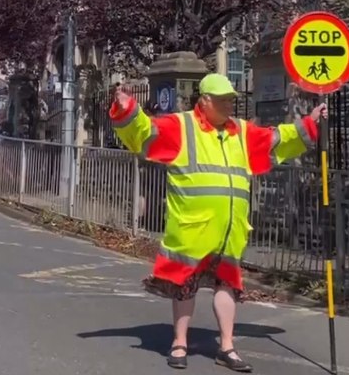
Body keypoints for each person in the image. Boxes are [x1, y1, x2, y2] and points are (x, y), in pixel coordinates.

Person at [109, 74, 326, 372]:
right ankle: (180, 343)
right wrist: (127, 108)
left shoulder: (241, 131)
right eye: (223, 99)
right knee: (185, 285)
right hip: (192, 229)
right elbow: (144, 132)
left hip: (229, 230)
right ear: (205, 100)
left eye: (231, 99)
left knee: (228, 286)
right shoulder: (182, 125)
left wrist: (310, 122)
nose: (229, 104)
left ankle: (227, 347)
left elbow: (278, 138)